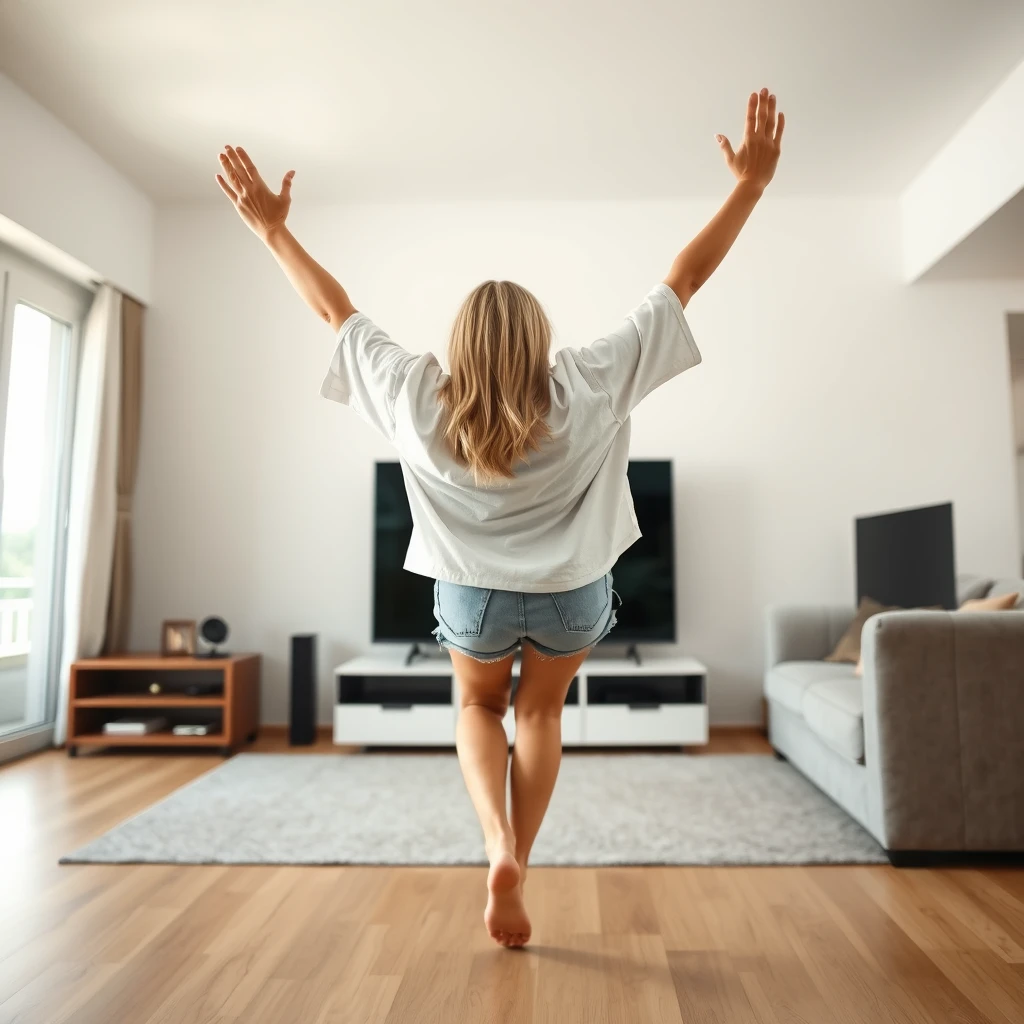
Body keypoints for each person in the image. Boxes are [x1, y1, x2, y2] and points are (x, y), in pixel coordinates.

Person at [216, 88, 783, 948]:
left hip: (471, 601)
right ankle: (524, 851)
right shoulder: (589, 382)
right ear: (538, 337)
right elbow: (685, 281)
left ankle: (494, 844)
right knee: (544, 717)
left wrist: (270, 230)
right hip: (572, 597)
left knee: (478, 710)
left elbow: (334, 312)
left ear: (461, 345)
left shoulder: (415, 395)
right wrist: (748, 187)